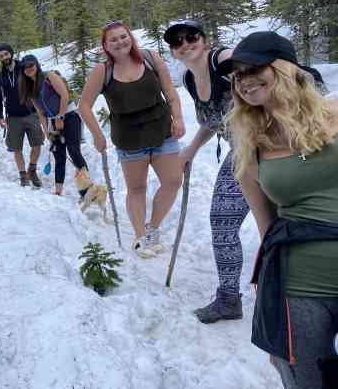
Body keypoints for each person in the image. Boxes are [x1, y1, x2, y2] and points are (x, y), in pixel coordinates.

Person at [220, 31, 338, 389]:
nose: (244, 80)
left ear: (284, 68)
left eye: (253, 68)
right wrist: (270, 317)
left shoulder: (335, 112)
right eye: (237, 75)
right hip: (300, 285)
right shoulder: (251, 145)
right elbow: (266, 228)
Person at [163, 19, 250, 323]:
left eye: (191, 37)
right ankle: (229, 299)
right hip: (241, 153)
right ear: (173, 52)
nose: (185, 44)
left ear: (205, 38)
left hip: (271, 147)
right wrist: (190, 150)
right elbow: (212, 121)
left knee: (280, 224)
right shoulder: (189, 79)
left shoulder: (222, 60)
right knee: (224, 222)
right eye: (177, 42)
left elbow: (252, 63)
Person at [78, 20, 185, 258]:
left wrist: (177, 118)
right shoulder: (102, 72)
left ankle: (152, 229)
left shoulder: (150, 59)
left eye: (123, 37)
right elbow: (84, 105)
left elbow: (170, 92)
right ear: (105, 46)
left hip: (162, 130)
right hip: (128, 137)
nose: (120, 42)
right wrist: (97, 134)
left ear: (130, 37)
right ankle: (140, 237)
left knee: (173, 180)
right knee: (137, 188)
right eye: (113, 39)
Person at [24, 64, 91, 196]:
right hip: (52, 122)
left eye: (31, 65)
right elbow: (41, 114)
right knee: (59, 155)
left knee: (74, 151)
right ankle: (58, 190)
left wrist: (60, 117)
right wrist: (46, 131)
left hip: (70, 116)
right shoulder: (32, 91)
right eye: (25, 68)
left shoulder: (50, 77)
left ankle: (87, 190)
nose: (29, 69)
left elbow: (65, 97)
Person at [0, 44, 44, 187]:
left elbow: (37, 79)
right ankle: (23, 175)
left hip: (30, 113)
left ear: (11, 54)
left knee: (37, 143)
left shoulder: (24, 67)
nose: (4, 57)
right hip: (13, 116)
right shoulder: (0, 78)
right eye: (1, 56)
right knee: (17, 148)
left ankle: (32, 170)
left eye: (6, 54)